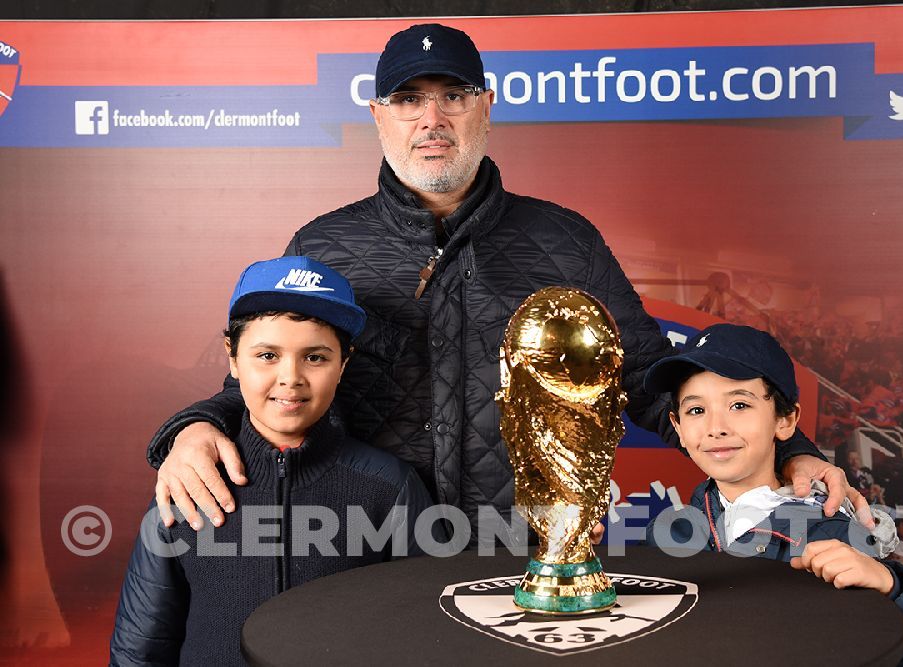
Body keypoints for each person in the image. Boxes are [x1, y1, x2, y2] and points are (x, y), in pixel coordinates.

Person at [147, 23, 866, 540]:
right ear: (378, 117)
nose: (432, 119)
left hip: (523, 559)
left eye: (452, 95)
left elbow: (650, 379)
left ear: (485, 107)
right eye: (407, 100)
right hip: (358, 548)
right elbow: (275, 381)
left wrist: (791, 451)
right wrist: (198, 426)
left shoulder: (564, 240)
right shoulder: (326, 245)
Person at [111, 257, 433, 666]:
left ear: (343, 364)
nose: (291, 377)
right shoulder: (187, 480)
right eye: (267, 355)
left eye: (315, 357)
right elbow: (140, 646)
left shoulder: (390, 488)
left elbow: (423, 637)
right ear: (232, 357)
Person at [644, 323, 903, 666]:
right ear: (678, 428)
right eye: (696, 410)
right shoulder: (672, 531)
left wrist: (892, 587)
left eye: (739, 405)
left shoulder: (832, 538)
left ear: (786, 421)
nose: (716, 427)